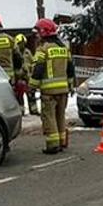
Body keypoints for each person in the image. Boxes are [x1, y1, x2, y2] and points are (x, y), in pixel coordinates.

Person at [30, 18, 75, 154]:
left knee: (49, 118)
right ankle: (62, 142)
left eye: (37, 32)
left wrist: (32, 86)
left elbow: (38, 68)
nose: (36, 36)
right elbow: (70, 69)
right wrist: (71, 85)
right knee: (60, 116)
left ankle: (53, 145)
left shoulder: (43, 49)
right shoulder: (63, 49)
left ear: (44, 32)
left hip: (49, 92)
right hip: (63, 90)